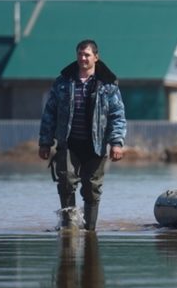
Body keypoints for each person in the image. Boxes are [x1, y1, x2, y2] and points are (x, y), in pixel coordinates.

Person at [38, 39, 127, 231]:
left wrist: (117, 143)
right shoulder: (63, 82)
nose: (83, 58)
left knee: (91, 189)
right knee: (66, 182)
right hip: (69, 143)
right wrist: (45, 142)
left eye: (87, 54)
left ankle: (89, 231)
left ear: (96, 57)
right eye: (80, 54)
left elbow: (117, 115)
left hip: (96, 145)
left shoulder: (108, 84)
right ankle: (69, 228)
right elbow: (49, 112)